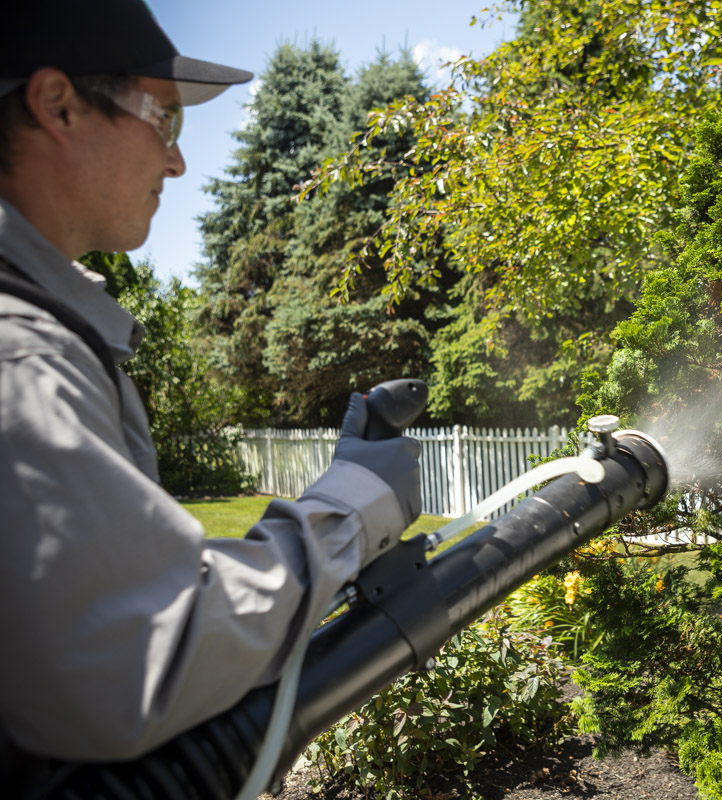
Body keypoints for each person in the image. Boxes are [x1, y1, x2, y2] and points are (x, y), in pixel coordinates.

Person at [0, 0, 423, 765]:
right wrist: (352, 508)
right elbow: (139, 656)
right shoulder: (21, 361)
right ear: (57, 104)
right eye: (166, 122)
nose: (177, 163)